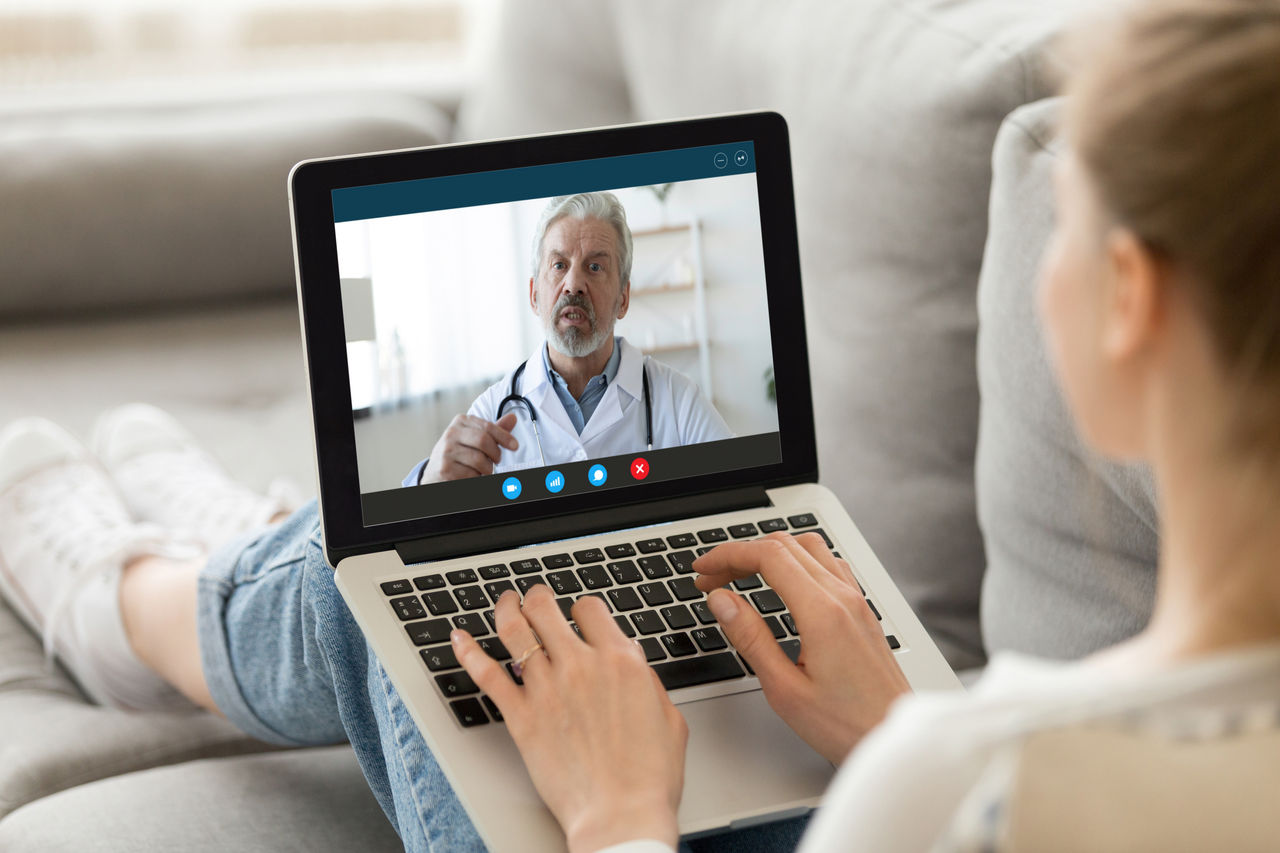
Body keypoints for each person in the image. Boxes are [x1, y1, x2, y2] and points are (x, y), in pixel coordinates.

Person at [0, 0, 1277, 849]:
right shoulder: (974, 761)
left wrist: (616, 814)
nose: (573, 287)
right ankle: (223, 556)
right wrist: (890, 721)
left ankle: (139, 603)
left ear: (1127, 301)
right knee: (423, 542)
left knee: (389, 582)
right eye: (555, 267)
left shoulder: (977, 779)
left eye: (1061, 224)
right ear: (537, 287)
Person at [405, 191, 733, 486]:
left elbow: (740, 491)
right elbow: (421, 521)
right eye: (559, 265)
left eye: (595, 267)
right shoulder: (493, 409)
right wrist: (430, 480)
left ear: (623, 298)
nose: (574, 284)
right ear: (534, 295)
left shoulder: (679, 401)